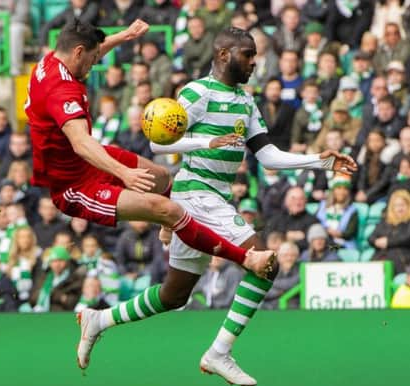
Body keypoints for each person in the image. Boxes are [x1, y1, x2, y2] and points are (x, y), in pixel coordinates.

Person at [76, 26, 357, 386]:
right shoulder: (198, 93)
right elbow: (160, 145)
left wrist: (321, 161)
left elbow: (268, 155)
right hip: (196, 192)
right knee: (264, 263)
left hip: (211, 196)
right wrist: (208, 142)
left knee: (174, 294)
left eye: (255, 55)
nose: (255, 62)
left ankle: (98, 320)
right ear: (224, 54)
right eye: (248, 54)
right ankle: (219, 352)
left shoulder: (245, 101)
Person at [26, 16, 278, 359]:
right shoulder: (62, 89)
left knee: (160, 178)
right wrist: (124, 174)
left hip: (87, 161)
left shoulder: (52, 60)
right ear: (78, 52)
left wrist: (125, 36)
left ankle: (166, 233)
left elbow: (89, 50)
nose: (96, 64)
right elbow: (81, 143)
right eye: (94, 58)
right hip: (72, 184)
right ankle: (244, 258)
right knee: (171, 209)